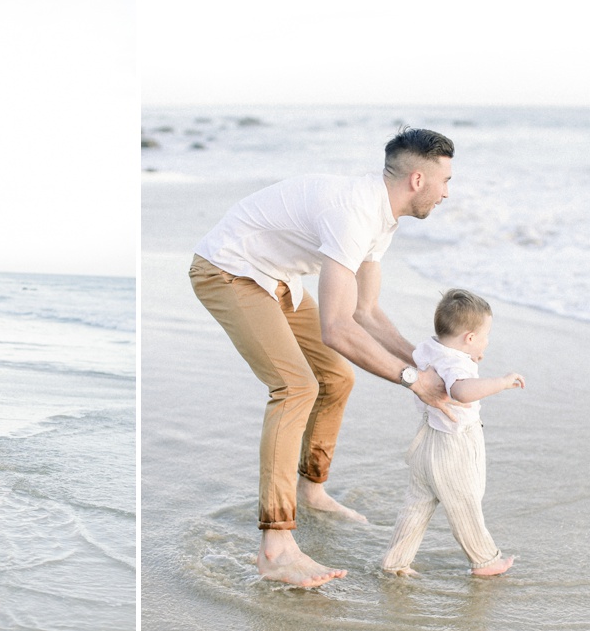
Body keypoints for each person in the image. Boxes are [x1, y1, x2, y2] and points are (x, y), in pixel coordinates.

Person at [189, 126, 461, 588]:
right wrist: (413, 378)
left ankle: (310, 489)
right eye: (446, 182)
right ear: (418, 180)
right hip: (229, 270)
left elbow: (366, 312)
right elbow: (337, 329)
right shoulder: (353, 212)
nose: (447, 193)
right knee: (295, 387)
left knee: (336, 378)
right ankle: (275, 548)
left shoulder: (381, 219)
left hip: (277, 279)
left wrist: (431, 360)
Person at [383, 289, 524, 577]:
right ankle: (485, 560)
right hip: (453, 444)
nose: (486, 343)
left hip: (425, 442)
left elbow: (431, 365)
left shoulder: (430, 348)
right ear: (469, 338)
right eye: (485, 336)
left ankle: (395, 561)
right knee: (465, 501)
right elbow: (461, 391)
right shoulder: (457, 363)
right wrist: (501, 382)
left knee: (417, 506)